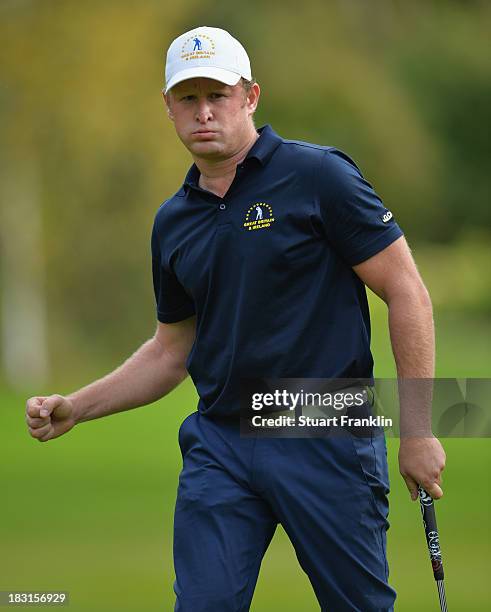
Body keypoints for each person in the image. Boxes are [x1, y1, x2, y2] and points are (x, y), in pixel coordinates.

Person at [26, 26, 446, 611]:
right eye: (188, 98)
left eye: (217, 95)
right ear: (167, 108)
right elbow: (171, 351)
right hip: (221, 443)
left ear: (250, 97)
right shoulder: (173, 222)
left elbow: (407, 291)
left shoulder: (319, 177)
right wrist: (79, 405)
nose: (204, 112)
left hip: (324, 430)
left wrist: (419, 428)